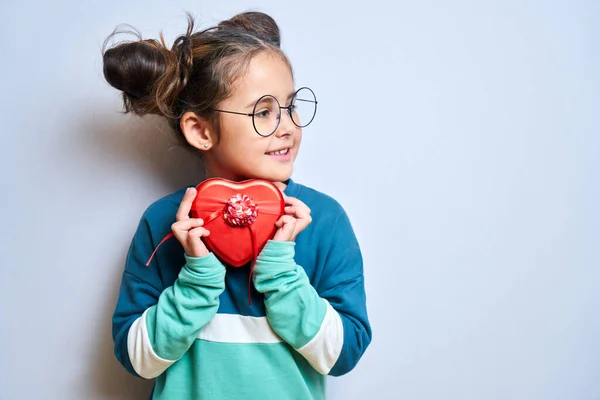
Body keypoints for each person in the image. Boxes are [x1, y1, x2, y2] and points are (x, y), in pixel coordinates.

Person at [104, 10, 371, 400]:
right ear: (201, 130)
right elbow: (136, 360)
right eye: (263, 111)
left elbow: (344, 354)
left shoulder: (324, 220)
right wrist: (196, 281)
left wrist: (281, 276)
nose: (287, 126)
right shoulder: (163, 222)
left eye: (291, 106)